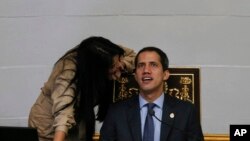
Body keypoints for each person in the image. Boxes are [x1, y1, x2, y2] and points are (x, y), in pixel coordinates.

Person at [28, 36, 136, 141]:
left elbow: (136, 57)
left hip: (79, 121)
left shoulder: (108, 52)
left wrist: (123, 64)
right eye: (112, 66)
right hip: (49, 127)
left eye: (119, 59)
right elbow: (63, 115)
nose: (118, 73)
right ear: (95, 69)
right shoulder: (68, 73)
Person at [100, 46, 204, 141]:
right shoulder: (116, 112)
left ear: (165, 74)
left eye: (153, 65)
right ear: (135, 75)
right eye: (141, 65)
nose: (146, 70)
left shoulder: (186, 112)